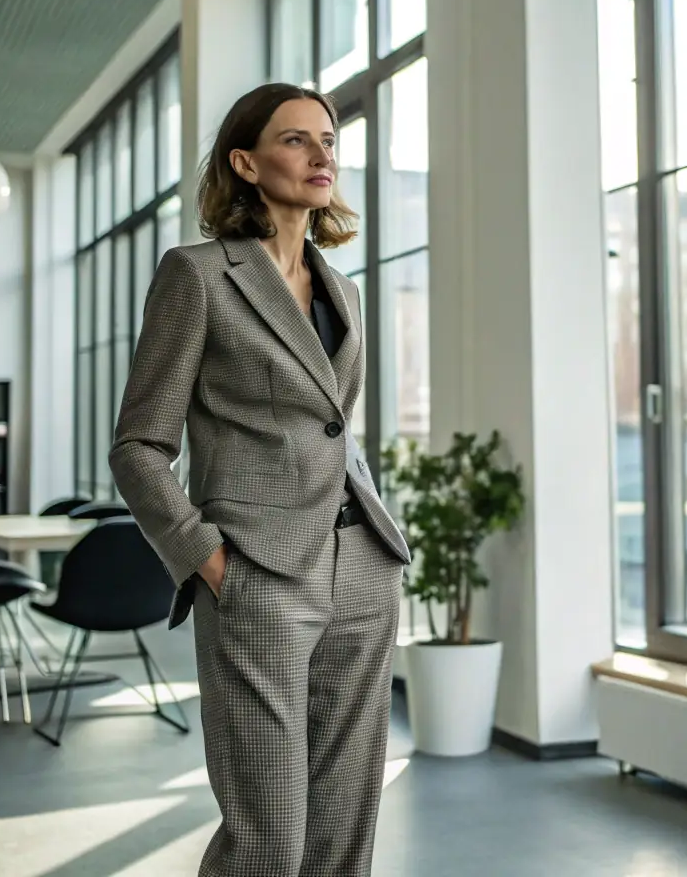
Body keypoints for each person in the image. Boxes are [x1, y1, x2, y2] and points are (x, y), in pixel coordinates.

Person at [109, 83, 412, 877]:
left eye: (329, 140)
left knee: (344, 830)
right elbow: (139, 445)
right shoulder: (199, 276)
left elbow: (335, 432)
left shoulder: (342, 290)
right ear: (245, 163)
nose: (321, 156)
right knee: (267, 834)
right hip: (258, 572)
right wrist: (209, 561)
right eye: (295, 140)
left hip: (362, 567)